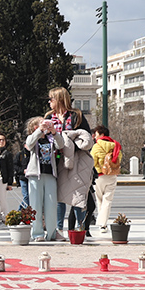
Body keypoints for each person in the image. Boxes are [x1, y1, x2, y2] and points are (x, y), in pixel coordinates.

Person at [48, 87, 93, 235]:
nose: (49, 102)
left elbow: (85, 137)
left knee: (78, 195)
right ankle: (59, 229)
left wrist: (69, 142)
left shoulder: (76, 115)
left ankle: (80, 229)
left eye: (52, 99)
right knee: (59, 195)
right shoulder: (49, 117)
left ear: (59, 99)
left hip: (77, 160)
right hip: (57, 159)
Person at [20, 117, 59, 241]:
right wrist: (39, 131)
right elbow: (29, 144)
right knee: (35, 205)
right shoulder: (33, 138)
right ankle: (37, 233)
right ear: (36, 127)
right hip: (35, 175)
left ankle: (52, 233)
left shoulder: (51, 138)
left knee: (52, 205)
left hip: (50, 174)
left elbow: (61, 145)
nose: (45, 124)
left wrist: (54, 131)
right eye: (42, 123)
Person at [90, 125, 122, 231]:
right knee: (107, 200)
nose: (94, 136)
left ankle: (101, 224)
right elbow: (119, 159)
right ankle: (103, 224)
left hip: (99, 176)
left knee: (99, 200)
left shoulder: (96, 146)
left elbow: (92, 161)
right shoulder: (115, 145)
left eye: (97, 134)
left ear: (102, 134)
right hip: (112, 175)